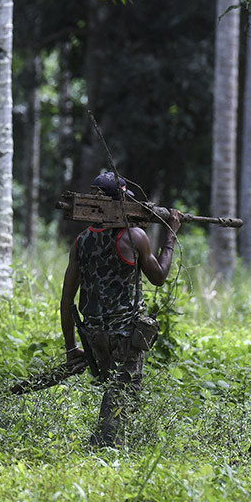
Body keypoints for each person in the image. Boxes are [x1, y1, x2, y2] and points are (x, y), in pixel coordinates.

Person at [61, 172, 181, 447]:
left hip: (94, 336)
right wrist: (171, 235)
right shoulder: (134, 236)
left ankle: (109, 445)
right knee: (122, 395)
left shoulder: (81, 241)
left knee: (116, 393)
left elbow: (67, 300)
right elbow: (159, 277)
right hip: (125, 336)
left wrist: (71, 348)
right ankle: (103, 450)